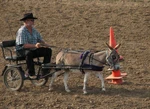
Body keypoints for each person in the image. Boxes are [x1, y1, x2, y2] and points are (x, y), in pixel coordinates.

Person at [16, 13, 52, 79]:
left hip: (33, 49)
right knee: (29, 54)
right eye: (31, 20)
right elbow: (24, 45)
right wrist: (35, 45)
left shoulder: (34, 30)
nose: (33, 22)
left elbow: (40, 39)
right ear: (26, 21)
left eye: (33, 20)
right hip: (22, 50)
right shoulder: (22, 31)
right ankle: (31, 73)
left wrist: (45, 44)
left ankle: (44, 71)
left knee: (48, 51)